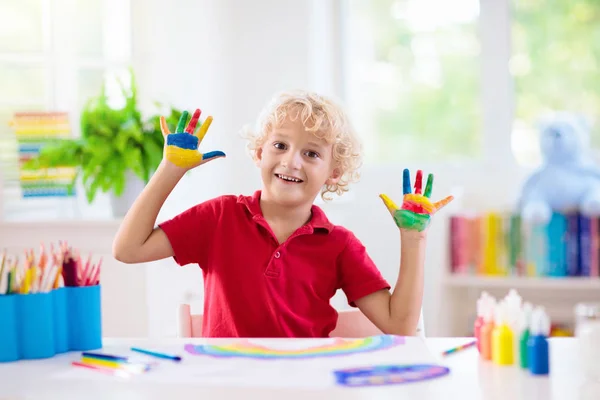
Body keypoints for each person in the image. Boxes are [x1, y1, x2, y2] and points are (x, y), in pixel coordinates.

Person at [112, 90, 453, 338]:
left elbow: (401, 326)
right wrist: (170, 169)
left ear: (333, 172)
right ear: (259, 152)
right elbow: (128, 249)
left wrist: (414, 238)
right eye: (280, 145)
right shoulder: (218, 217)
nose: (292, 161)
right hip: (229, 386)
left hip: (305, 387)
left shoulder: (340, 245)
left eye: (312, 153)